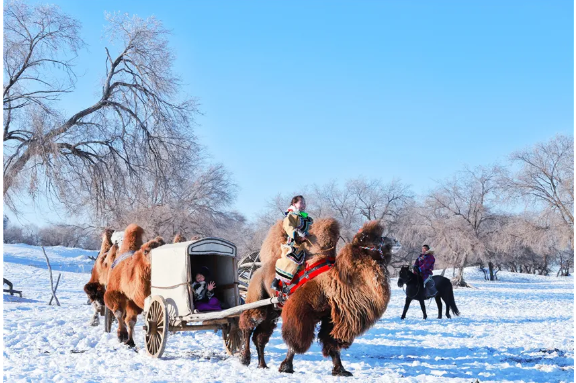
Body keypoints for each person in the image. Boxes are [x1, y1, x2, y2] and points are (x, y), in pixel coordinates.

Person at [271, 195, 314, 292]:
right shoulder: (291, 216)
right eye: (301, 203)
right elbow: (289, 228)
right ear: (294, 204)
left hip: (307, 244)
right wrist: (299, 235)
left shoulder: (307, 218)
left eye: (304, 203)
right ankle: (277, 281)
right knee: (292, 259)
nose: (303, 205)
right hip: (294, 244)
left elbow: (312, 228)